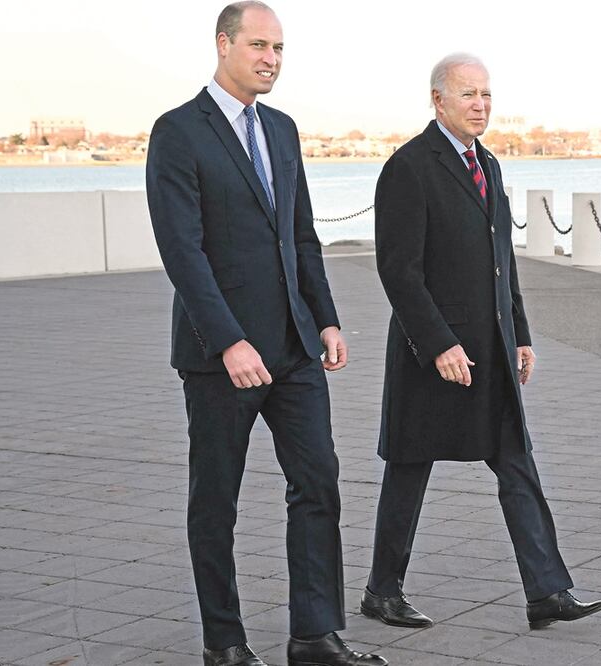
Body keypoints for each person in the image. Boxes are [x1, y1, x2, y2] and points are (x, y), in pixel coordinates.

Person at [145, 3, 386, 665]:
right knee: (215, 499)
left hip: (294, 348)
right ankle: (224, 644)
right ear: (223, 45)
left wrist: (327, 318)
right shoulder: (178, 132)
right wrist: (227, 340)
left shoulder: (281, 130)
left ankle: (313, 635)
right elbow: (182, 250)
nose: (271, 59)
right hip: (219, 355)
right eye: (258, 45)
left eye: (279, 48)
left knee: (318, 483)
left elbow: (300, 237)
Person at [363, 52, 601, 632]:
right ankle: (382, 591)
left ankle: (547, 591)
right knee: (409, 467)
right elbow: (399, 270)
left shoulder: (489, 165)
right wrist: (439, 343)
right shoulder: (408, 168)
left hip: (492, 351)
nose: (481, 105)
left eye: (487, 95)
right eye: (468, 94)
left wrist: (520, 333)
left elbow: (503, 263)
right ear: (438, 100)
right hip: (434, 357)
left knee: (517, 463)